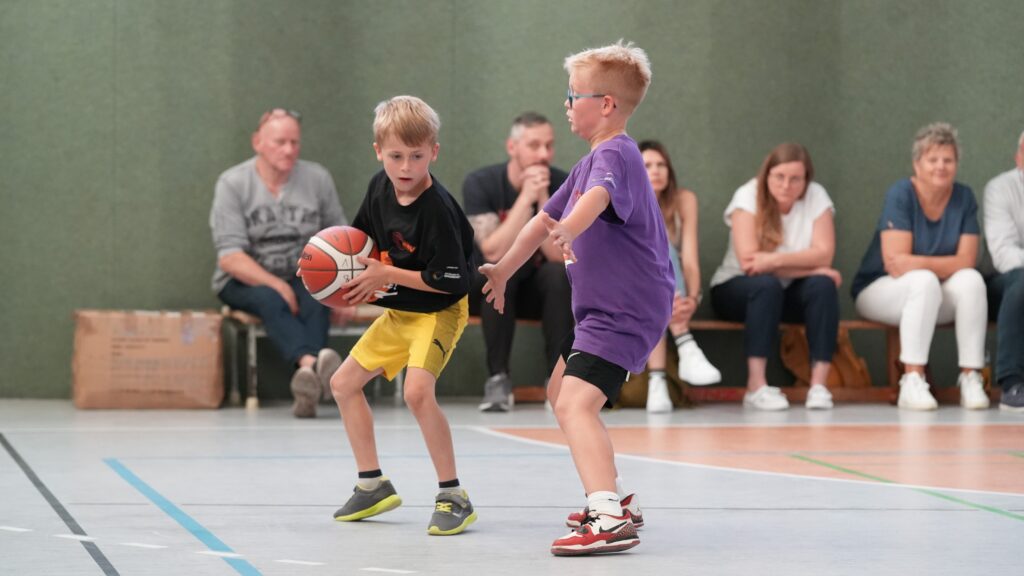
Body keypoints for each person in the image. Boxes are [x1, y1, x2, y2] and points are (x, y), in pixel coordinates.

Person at [481, 40, 671, 556]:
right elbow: (541, 221)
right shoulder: (590, 161)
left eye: (573, 95)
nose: (566, 104)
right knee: (559, 390)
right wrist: (503, 269)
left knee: (575, 403)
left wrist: (570, 227)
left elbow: (596, 200)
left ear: (605, 104)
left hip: (625, 308)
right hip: (602, 310)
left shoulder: (616, 154)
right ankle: (617, 499)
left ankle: (607, 515)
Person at [325, 96, 477, 536]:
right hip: (401, 312)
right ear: (378, 152)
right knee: (342, 384)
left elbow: (450, 282)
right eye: (395, 156)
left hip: (440, 310)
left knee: (416, 393)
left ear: (434, 152)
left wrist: (387, 274)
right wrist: (324, 269)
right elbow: (358, 243)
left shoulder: (438, 209)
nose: (406, 166)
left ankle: (454, 495)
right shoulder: (379, 187)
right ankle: (371, 485)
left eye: (416, 155)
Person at [210, 108, 347, 418]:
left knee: (318, 296)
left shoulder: (317, 178)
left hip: (301, 273)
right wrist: (276, 285)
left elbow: (338, 238)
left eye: (294, 142)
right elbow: (230, 257)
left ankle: (307, 377)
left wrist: (343, 287)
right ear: (257, 142)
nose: (289, 150)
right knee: (271, 298)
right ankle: (316, 365)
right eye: (280, 142)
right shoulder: (233, 183)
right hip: (242, 280)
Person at [851, 122, 988, 411]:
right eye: (932, 159)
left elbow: (967, 261)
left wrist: (916, 262)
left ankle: (971, 378)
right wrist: (940, 265)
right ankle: (912, 380)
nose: (941, 166)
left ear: (956, 164)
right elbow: (894, 263)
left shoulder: (964, 197)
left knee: (971, 280)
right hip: (880, 290)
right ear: (917, 164)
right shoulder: (901, 193)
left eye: (948, 160)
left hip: (930, 291)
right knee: (923, 280)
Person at [709, 143, 840, 411]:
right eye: (779, 176)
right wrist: (809, 265)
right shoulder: (747, 196)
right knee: (766, 286)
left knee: (823, 285)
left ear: (806, 180)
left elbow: (824, 255)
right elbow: (750, 263)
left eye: (795, 179)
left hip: (786, 292)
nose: (786, 185)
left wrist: (773, 260)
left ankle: (818, 386)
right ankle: (756, 386)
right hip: (736, 290)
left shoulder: (817, 196)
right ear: (767, 175)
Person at [463, 112, 574, 412]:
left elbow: (558, 255)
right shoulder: (481, 183)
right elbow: (493, 252)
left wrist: (544, 199)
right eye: (534, 145)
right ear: (512, 147)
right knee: (500, 274)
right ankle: (498, 379)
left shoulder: (564, 183)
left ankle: (557, 381)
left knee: (559, 275)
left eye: (549, 146)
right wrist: (525, 198)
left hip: (542, 293)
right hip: (491, 293)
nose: (543, 155)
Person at [638, 140, 721, 413]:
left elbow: (691, 261)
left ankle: (658, 382)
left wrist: (693, 300)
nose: (655, 170)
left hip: (668, 292)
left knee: (666, 260)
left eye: (661, 165)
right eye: (647, 165)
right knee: (660, 249)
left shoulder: (684, 200)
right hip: (630, 289)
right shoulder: (626, 201)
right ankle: (686, 344)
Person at [982, 129, 1024, 412]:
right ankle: (1012, 384)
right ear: (1019, 157)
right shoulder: (1000, 188)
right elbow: (1003, 255)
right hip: (1001, 286)